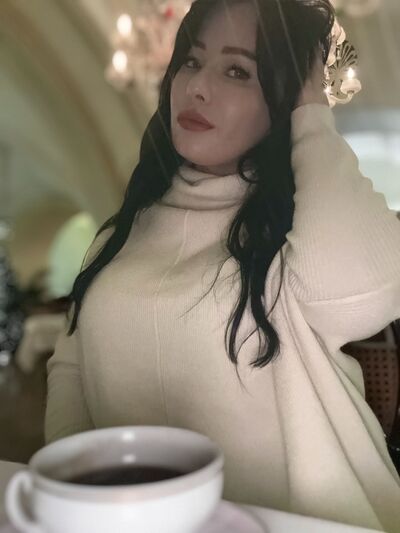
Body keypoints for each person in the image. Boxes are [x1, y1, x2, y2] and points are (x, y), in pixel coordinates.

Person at [45, 0, 400, 530]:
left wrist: (309, 109)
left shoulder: (298, 228)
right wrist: (78, 501)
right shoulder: (118, 237)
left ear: (283, 96)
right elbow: (70, 372)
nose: (196, 87)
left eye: (237, 71)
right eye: (190, 61)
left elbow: (364, 294)